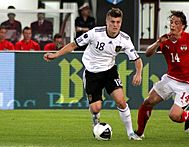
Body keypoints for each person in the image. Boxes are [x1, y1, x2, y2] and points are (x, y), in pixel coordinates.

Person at [44, 8, 143, 140]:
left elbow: (137, 59)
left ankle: (131, 133)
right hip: (92, 73)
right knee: (96, 108)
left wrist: (138, 73)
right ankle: (95, 118)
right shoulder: (95, 33)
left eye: (118, 22)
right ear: (107, 22)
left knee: (121, 101)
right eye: (112, 21)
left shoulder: (124, 39)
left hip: (109, 71)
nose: (115, 25)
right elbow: (73, 45)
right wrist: (55, 55)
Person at [135, 11, 189, 137]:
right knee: (148, 102)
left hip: (187, 84)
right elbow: (147, 54)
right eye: (171, 22)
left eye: (176, 23)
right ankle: (139, 133)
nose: (172, 25)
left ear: (182, 26)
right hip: (170, 79)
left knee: (174, 115)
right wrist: (157, 43)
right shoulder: (165, 40)